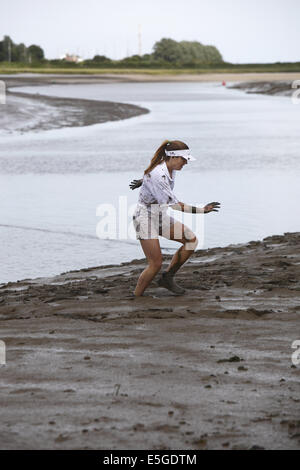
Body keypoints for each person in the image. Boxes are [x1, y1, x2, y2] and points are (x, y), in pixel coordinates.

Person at [130, 139, 220, 297]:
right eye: (184, 160)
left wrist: (143, 181)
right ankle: (137, 297)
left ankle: (168, 278)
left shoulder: (169, 169)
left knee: (191, 241)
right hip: (144, 218)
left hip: (159, 214)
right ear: (173, 157)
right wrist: (202, 210)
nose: (186, 163)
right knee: (155, 264)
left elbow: (151, 175)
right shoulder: (159, 174)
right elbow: (176, 205)